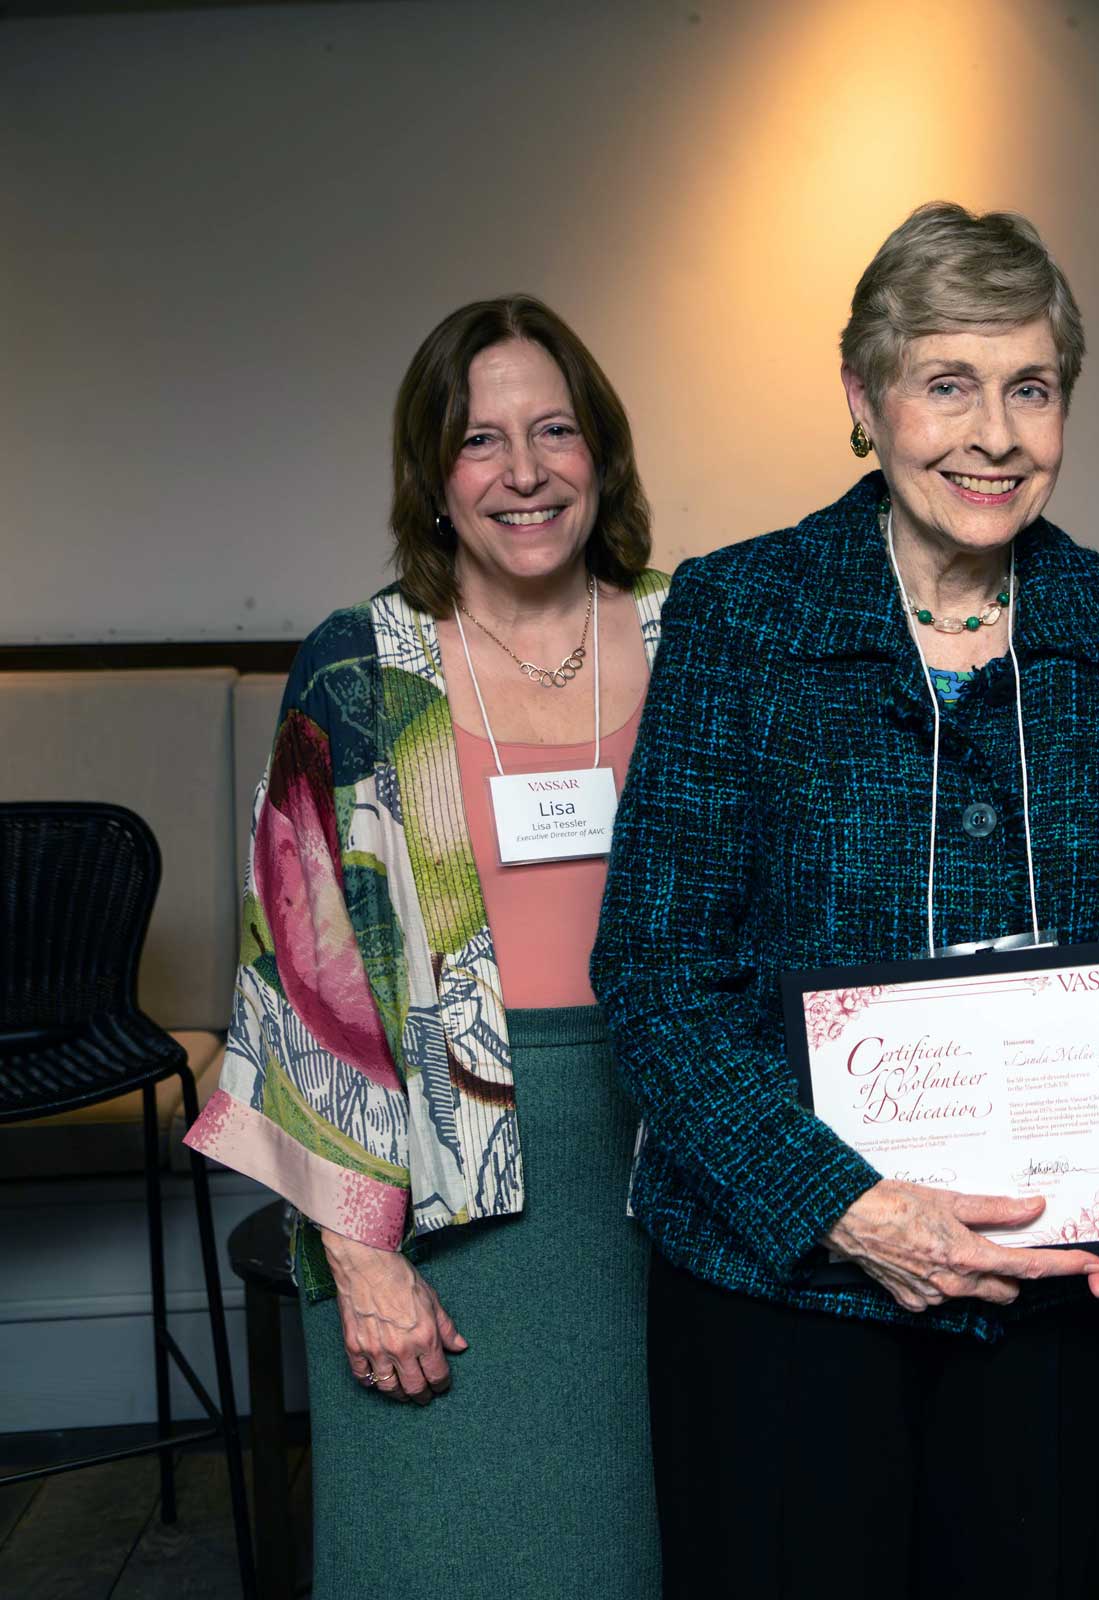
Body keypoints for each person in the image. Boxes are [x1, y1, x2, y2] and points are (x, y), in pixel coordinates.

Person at [590, 201, 1099, 1599]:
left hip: (1056, 1283)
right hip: (782, 1289)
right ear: (865, 398)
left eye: (1032, 388)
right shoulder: (742, 615)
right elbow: (654, 978)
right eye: (948, 384)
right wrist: (844, 1205)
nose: (994, 434)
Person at [184, 295, 669, 1596]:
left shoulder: (700, 643)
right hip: (438, 1197)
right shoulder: (359, 668)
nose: (523, 472)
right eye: (480, 440)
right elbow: (302, 983)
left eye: (554, 430)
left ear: (601, 453)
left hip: (675, 1179)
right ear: (432, 475)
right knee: (445, 1552)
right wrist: (360, 1258)